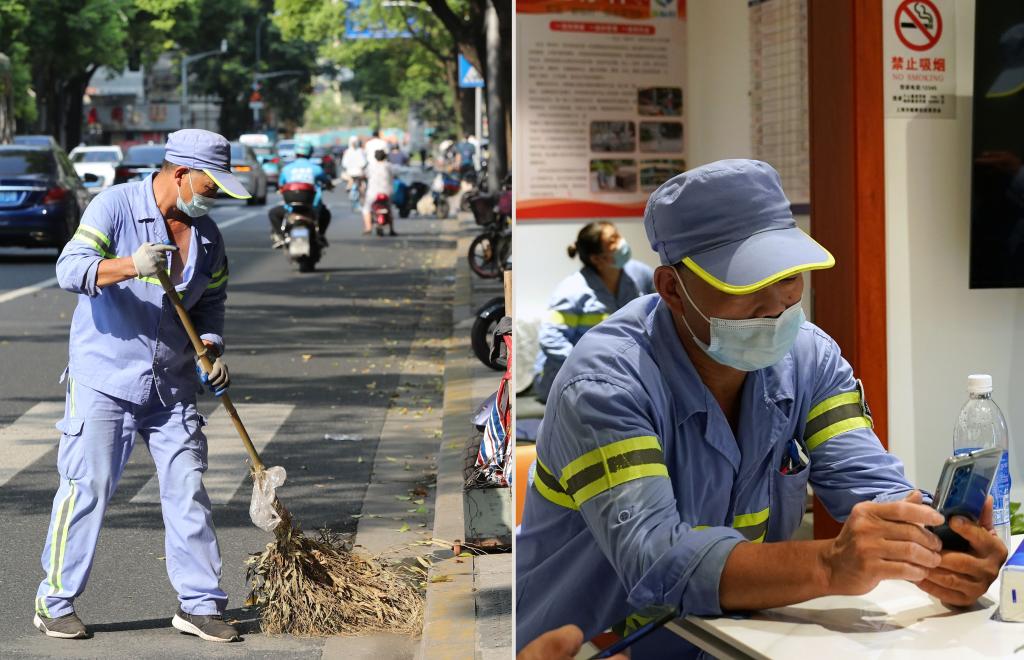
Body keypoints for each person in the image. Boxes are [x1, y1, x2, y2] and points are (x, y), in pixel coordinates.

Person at [515, 160, 1007, 658]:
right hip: (582, 647)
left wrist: (936, 541)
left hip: (735, 642)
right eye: (745, 284)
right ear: (672, 289)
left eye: (790, 276)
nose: (776, 304)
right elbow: (656, 559)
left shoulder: (811, 358)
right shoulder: (604, 385)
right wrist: (828, 564)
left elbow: (868, 479)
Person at [35, 129, 247, 642]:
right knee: (87, 488)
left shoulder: (209, 238)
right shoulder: (115, 207)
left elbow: (211, 304)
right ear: (182, 174)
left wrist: (211, 348)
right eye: (211, 186)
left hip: (171, 384)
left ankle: (199, 604)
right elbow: (70, 269)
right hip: (105, 379)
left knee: (188, 489)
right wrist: (131, 265)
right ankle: (54, 601)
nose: (214, 198)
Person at [532, 221, 654, 403]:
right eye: (612, 241)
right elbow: (550, 338)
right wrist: (589, 367)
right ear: (597, 259)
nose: (622, 242)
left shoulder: (640, 275)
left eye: (618, 235)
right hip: (566, 376)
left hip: (618, 372)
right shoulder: (572, 291)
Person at [268, 142, 332, 248]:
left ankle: (280, 236)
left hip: (290, 208)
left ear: (295, 153)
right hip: (311, 207)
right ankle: (321, 236)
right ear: (310, 153)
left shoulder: (287, 169)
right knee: (326, 214)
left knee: (273, 213)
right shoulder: (316, 168)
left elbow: (281, 185)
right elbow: (326, 182)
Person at [363, 149, 395, 236]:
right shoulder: (389, 166)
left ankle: (368, 228)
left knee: (366, 209)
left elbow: (365, 175)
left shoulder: (370, 166)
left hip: (373, 193)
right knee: (389, 208)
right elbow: (395, 174)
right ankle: (392, 229)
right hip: (387, 192)